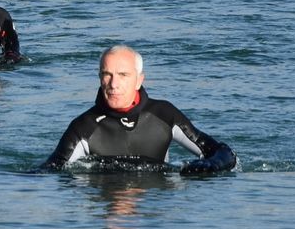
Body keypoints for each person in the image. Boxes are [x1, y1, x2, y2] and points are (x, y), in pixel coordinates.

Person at [39, 45, 236, 172]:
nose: (113, 84)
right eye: (107, 75)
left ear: (139, 80)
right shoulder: (83, 127)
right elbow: (48, 172)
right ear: (100, 77)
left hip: (151, 213)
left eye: (123, 75)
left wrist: (211, 165)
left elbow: (223, 153)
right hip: (104, 195)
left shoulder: (164, 115)